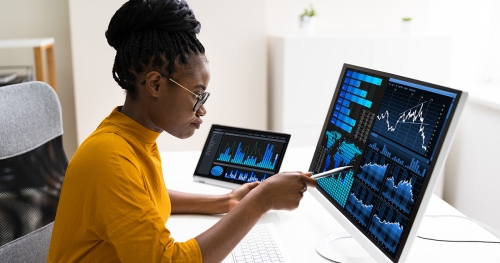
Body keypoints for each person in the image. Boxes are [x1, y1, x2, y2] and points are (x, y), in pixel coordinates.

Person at [47, 0, 317, 262]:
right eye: (197, 95)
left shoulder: (132, 136)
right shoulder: (110, 158)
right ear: (155, 85)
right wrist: (261, 200)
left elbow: (146, 200)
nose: (202, 111)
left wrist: (224, 201)